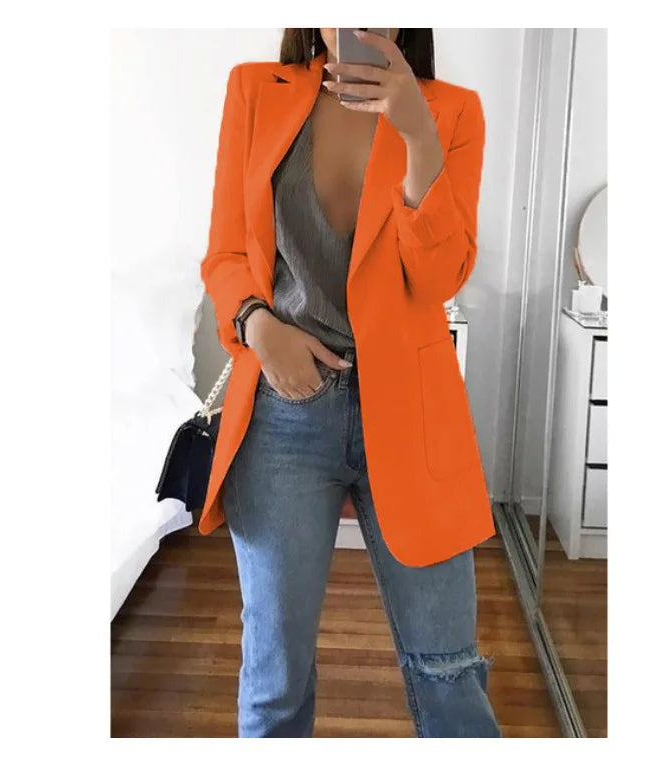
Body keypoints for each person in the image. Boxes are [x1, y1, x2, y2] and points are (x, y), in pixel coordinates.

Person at [201, 27, 501, 738]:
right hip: (283, 410)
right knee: (273, 681)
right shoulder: (255, 91)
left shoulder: (452, 111)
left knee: (450, 673)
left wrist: (419, 138)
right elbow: (225, 253)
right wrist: (259, 326)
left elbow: (439, 277)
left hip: (411, 413)